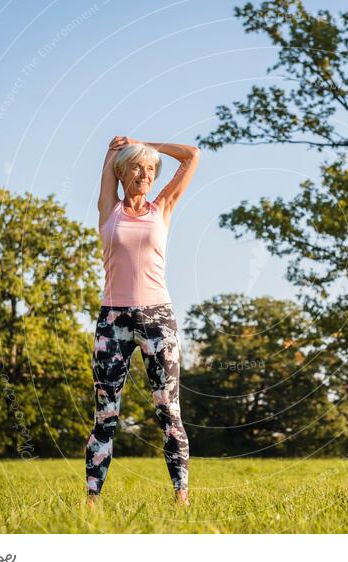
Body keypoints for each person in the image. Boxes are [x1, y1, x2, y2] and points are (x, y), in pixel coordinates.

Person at [85, 135, 200, 507]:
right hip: (112, 320)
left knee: (168, 408)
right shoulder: (108, 208)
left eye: (150, 170)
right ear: (121, 172)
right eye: (137, 166)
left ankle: (180, 494)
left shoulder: (162, 207)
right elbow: (109, 162)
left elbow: (192, 155)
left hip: (157, 318)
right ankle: (91, 498)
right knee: (106, 412)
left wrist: (147, 145)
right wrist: (115, 150)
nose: (145, 174)